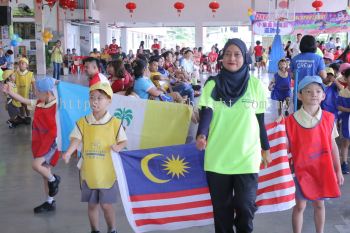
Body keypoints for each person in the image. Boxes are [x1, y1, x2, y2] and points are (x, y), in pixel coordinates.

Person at [196, 38, 271, 233]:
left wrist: (266, 148)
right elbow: (207, 112)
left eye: (237, 54)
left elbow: (260, 120)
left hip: (247, 156)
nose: (232, 58)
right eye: (228, 54)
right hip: (217, 157)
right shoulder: (212, 84)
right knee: (222, 210)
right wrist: (202, 134)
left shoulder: (255, 85)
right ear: (221, 57)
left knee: (245, 206)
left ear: (245, 57)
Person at [63, 82, 127, 233]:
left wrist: (118, 147)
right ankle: (95, 230)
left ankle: (112, 229)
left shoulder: (115, 123)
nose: (95, 101)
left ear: (109, 101)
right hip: (89, 173)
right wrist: (68, 152)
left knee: (106, 205)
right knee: (92, 205)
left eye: (100, 98)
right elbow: (76, 139)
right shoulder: (83, 122)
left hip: (107, 173)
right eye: (92, 98)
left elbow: (123, 141)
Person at [286, 75, 343, 233]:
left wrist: (337, 170)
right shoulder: (290, 121)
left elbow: (332, 146)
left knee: (319, 204)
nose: (314, 94)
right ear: (299, 95)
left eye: (318, 91)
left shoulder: (329, 118)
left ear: (323, 95)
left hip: (322, 169)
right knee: (300, 206)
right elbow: (285, 148)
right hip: (299, 171)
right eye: (308, 91)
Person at [2, 77, 61, 213]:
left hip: (50, 143)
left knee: (37, 166)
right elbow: (24, 100)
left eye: (37, 92)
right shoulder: (39, 103)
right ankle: (49, 202)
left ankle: (55, 179)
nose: (35, 94)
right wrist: (10, 92)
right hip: (39, 142)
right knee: (45, 174)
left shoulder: (58, 105)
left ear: (47, 92)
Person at [290, 35, 327, 109]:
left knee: (298, 114)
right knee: (313, 113)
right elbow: (323, 76)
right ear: (314, 45)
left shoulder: (295, 59)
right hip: (314, 93)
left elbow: (292, 76)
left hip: (299, 91)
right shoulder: (318, 58)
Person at [337, 67, 350, 174]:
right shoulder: (342, 92)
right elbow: (339, 107)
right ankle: (344, 163)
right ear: (346, 79)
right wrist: (348, 110)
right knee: (345, 142)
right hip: (346, 121)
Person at [15, 57, 35, 123]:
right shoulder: (16, 73)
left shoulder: (30, 74)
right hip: (18, 93)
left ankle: (28, 116)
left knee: (26, 105)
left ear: (26, 65)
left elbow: (33, 83)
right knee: (20, 105)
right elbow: (13, 81)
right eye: (20, 63)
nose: (21, 64)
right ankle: (22, 116)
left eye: (23, 63)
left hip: (27, 93)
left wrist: (34, 91)